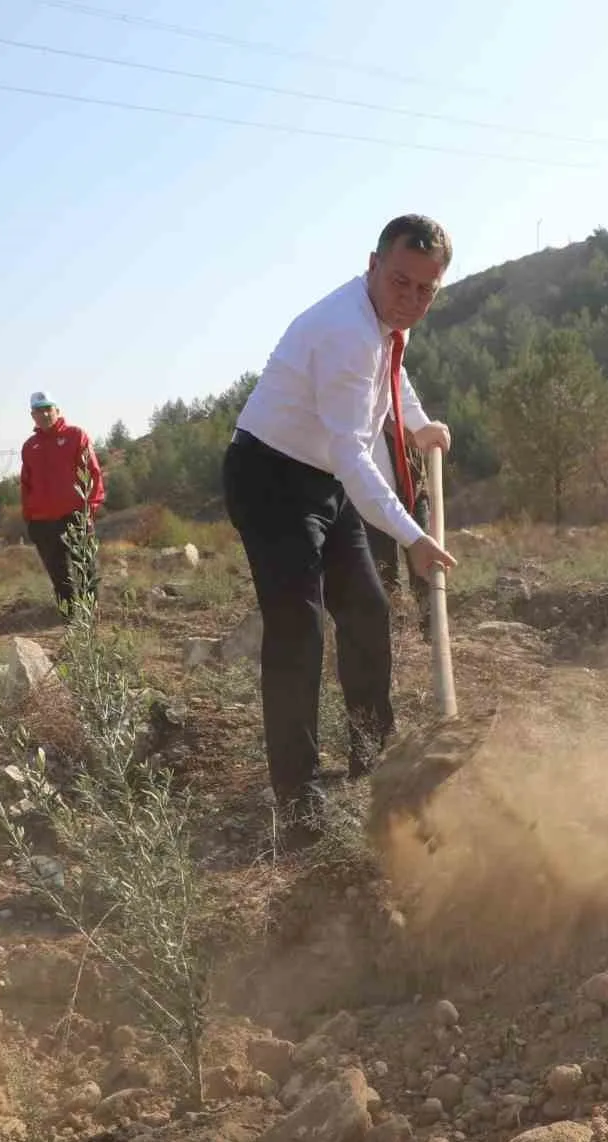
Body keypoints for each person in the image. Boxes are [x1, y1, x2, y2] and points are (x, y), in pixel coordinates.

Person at [224, 214, 458, 850]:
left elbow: (392, 377)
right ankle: (297, 800)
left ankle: (372, 759)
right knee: (298, 628)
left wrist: (417, 423)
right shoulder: (344, 332)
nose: (410, 299)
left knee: (367, 609)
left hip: (323, 478)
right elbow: (356, 455)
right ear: (374, 264)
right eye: (401, 282)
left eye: (425, 290)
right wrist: (412, 536)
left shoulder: (381, 326)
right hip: (270, 478)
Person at [20, 391, 104, 612]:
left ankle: (90, 625)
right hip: (42, 524)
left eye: (49, 408)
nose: (45, 414)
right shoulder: (30, 446)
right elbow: (26, 485)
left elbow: (93, 474)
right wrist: (29, 519)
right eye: (39, 410)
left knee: (86, 572)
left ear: (57, 411)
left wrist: (89, 510)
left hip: (75, 517)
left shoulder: (76, 436)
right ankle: (70, 624)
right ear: (33, 415)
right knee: (60, 579)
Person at [364, 419, 433, 635]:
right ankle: (397, 631)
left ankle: (431, 624)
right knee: (384, 566)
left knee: (423, 561)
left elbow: (420, 434)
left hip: (412, 491)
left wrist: (394, 423)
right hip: (375, 497)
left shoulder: (400, 395)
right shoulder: (359, 399)